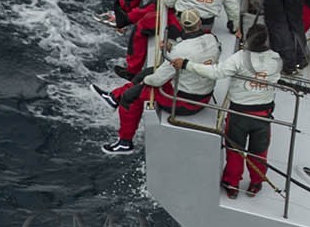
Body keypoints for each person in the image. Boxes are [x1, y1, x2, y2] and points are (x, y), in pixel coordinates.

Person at [173, 22, 282, 197]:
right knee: (259, 152)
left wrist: (187, 64)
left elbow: (216, 72)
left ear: (248, 40)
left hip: (239, 115)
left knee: (234, 151)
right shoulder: (276, 59)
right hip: (264, 116)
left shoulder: (239, 58)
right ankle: (256, 183)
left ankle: (231, 185)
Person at [92, 8, 220, 155]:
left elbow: (157, 80)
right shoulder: (212, 39)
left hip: (183, 102)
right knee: (147, 73)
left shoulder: (181, 50)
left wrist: (144, 82)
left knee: (131, 96)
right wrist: (171, 50)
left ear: (182, 25)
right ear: (199, 23)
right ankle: (114, 97)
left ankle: (125, 142)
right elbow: (195, 55)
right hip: (203, 96)